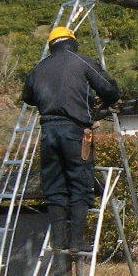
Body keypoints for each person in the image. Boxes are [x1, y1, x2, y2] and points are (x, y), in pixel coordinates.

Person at [21, 25, 121, 255]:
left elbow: (28, 97)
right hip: (75, 132)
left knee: (54, 185)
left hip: (48, 132)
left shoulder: (39, 68)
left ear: (50, 46)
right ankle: (76, 241)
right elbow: (110, 90)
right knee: (80, 182)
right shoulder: (81, 61)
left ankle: (58, 241)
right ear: (72, 42)